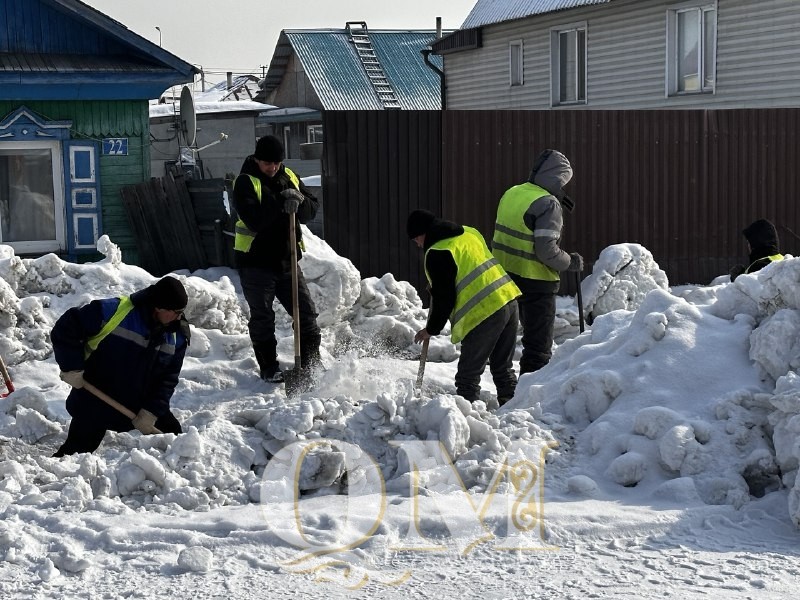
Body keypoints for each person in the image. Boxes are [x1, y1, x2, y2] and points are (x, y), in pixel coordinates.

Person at [51, 276, 190, 456]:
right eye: (176, 311)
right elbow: (66, 328)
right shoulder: (113, 312)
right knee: (74, 454)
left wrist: (152, 411)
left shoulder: (177, 335)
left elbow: (168, 378)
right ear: (159, 307)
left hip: (139, 402)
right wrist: (71, 366)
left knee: (176, 444)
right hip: (97, 396)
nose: (180, 317)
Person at [408, 209, 521, 406]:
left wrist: (431, 329)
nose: (418, 244)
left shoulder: (438, 252)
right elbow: (469, 265)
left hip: (485, 312)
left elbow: (445, 297)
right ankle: (514, 410)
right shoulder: (469, 232)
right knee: (502, 367)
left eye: (416, 239)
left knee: (467, 377)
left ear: (422, 233)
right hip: (508, 299)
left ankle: (465, 421)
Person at [233, 135, 322, 383]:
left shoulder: (289, 175)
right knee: (263, 317)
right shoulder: (245, 182)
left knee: (306, 314)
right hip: (256, 263)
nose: (272, 168)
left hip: (287, 261)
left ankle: (310, 364)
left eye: (276, 163)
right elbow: (255, 219)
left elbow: (312, 208)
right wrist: (281, 200)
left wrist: (299, 201)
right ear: (257, 159)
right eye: (267, 163)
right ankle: (269, 368)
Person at [492, 148, 583, 376]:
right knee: (538, 346)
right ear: (557, 176)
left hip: (505, 276)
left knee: (505, 338)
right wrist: (570, 262)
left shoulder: (513, 192)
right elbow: (547, 251)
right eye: (564, 181)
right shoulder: (548, 204)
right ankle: (530, 393)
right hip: (536, 282)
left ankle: (505, 388)